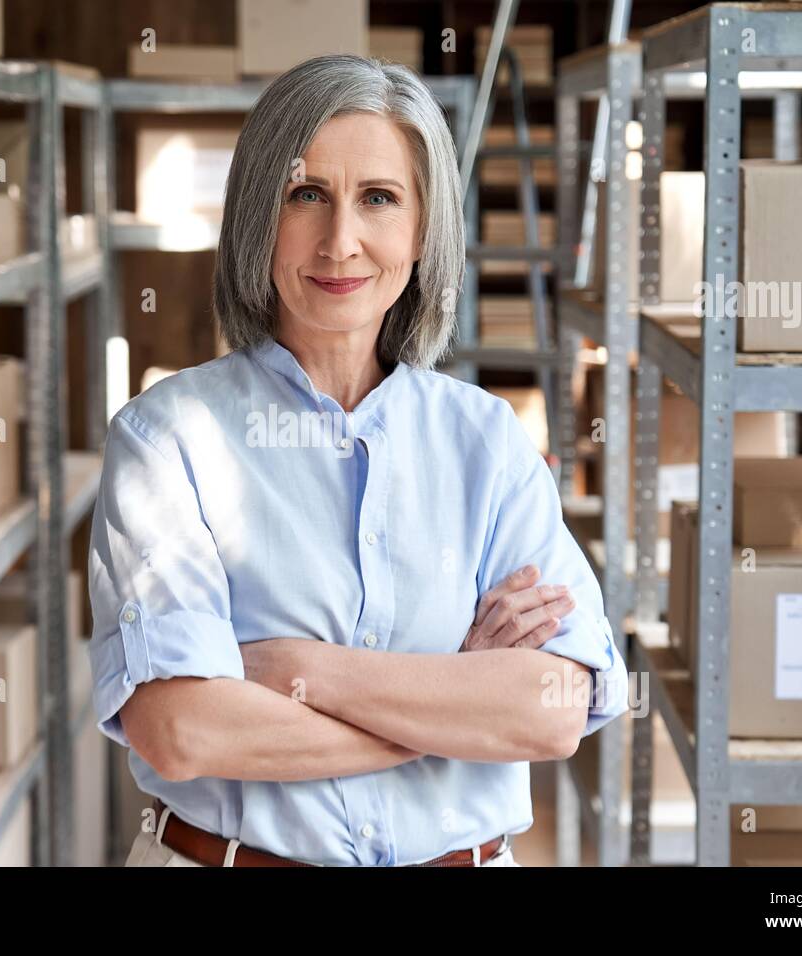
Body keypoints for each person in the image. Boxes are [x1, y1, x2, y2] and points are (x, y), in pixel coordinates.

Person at [89, 54, 629, 868]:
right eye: (306, 194)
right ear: (256, 219)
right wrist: (451, 703)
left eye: (379, 198)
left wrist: (301, 672)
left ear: (421, 231)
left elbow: (553, 708)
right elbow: (183, 730)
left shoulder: (486, 442)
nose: (340, 241)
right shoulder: (168, 439)